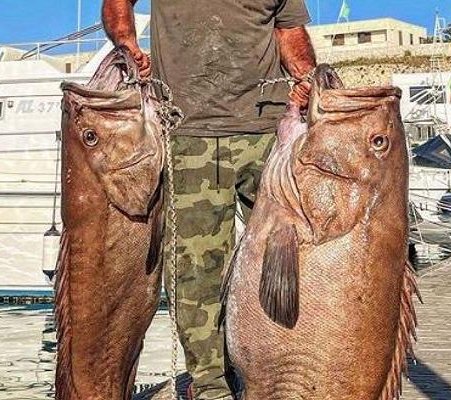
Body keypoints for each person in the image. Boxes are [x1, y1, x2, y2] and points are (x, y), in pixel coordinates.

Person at [102, 1, 317, 399]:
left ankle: (283, 375)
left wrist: (309, 82)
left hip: (269, 132)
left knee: (289, 260)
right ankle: (210, 386)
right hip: (188, 134)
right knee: (197, 270)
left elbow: (289, 32)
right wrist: (127, 44)